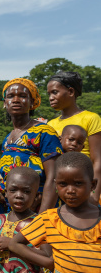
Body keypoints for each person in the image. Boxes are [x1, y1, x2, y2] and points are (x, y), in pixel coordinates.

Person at [0, 79, 62, 213]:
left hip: (39, 210)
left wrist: (41, 218)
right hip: (13, 211)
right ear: (5, 103)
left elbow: (54, 177)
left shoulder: (44, 132)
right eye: (10, 96)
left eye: (22, 96)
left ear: (32, 102)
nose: (15, 100)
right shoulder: (7, 139)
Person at [47, 71, 101, 202]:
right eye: (49, 94)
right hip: (60, 190)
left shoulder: (90, 118)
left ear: (71, 92)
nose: (50, 97)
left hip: (84, 188)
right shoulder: (50, 124)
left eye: (55, 92)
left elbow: (98, 160)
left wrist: (94, 194)